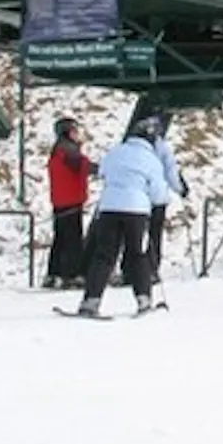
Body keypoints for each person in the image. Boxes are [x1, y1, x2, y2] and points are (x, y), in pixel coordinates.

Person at [74, 116, 167, 318]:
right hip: (136, 211)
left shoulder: (115, 152)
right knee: (137, 254)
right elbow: (158, 192)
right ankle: (144, 300)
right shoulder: (151, 159)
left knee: (104, 255)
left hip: (109, 209)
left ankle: (91, 301)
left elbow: (103, 173)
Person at [44, 117, 96, 289]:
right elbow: (84, 166)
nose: (77, 134)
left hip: (59, 200)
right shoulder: (69, 150)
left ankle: (53, 273)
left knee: (60, 239)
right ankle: (71, 275)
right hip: (71, 201)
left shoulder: (57, 150)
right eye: (74, 131)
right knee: (73, 240)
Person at [143, 112, 187, 284]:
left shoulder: (136, 147)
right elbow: (171, 172)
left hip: (139, 197)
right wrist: (181, 189)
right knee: (154, 234)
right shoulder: (162, 148)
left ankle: (131, 269)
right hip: (157, 197)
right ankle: (151, 269)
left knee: (136, 235)